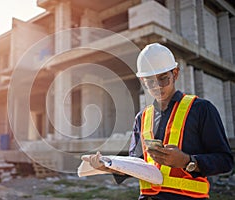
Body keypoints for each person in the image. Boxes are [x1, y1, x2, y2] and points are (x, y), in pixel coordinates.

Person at [83, 43, 234, 199]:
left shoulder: (201, 109)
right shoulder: (141, 118)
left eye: (163, 79)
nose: (157, 87)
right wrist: (108, 166)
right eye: (150, 82)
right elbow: (136, 165)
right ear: (143, 81)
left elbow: (225, 161)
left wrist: (187, 161)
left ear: (175, 74)